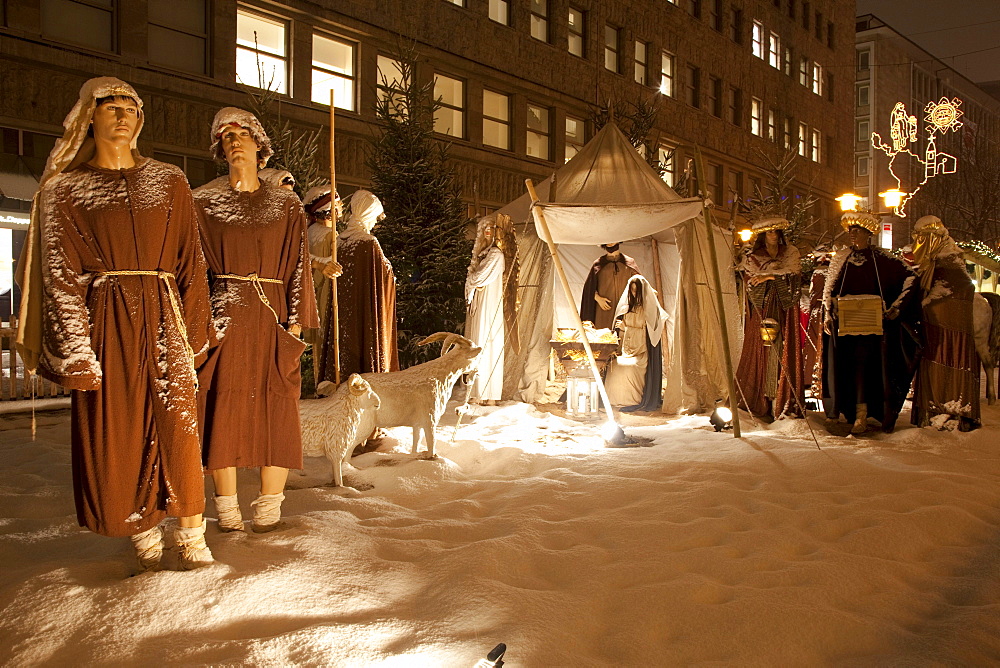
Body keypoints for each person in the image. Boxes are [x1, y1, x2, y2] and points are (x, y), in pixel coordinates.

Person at [15, 77, 214, 571]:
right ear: (89, 116)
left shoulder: (169, 180)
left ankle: (192, 535)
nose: (123, 114)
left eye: (131, 106)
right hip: (107, 319)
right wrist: (78, 352)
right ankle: (141, 531)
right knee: (119, 430)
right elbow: (61, 276)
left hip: (165, 313)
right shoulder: (66, 189)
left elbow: (192, 260)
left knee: (180, 427)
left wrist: (195, 333)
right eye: (111, 106)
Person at [194, 108, 318, 533]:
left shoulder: (284, 204)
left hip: (273, 319)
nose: (233, 141)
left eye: (241, 134)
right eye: (225, 135)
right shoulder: (202, 203)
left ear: (258, 143)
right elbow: (191, 269)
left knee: (276, 410)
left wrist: (298, 322)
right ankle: (226, 508)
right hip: (224, 315)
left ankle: (269, 507)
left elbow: (300, 264)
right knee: (222, 409)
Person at [822, 211, 919, 434]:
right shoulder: (841, 258)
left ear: (868, 233)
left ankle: (862, 414)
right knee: (841, 367)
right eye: (850, 231)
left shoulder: (882, 259)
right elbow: (829, 289)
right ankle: (838, 410)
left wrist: (896, 307)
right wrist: (829, 312)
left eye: (857, 231)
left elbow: (911, 278)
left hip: (871, 328)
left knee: (864, 369)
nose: (852, 235)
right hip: (844, 325)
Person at [909, 215, 980, 431]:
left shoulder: (948, 261)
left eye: (921, 238)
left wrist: (928, 304)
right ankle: (934, 408)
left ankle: (948, 409)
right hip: (934, 329)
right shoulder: (933, 263)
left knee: (946, 362)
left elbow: (955, 291)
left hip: (949, 331)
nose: (917, 244)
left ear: (932, 238)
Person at [320, 189, 399, 381]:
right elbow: (384, 277)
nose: (373, 222)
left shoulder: (340, 241)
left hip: (345, 313)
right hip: (365, 312)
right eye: (373, 217)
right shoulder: (369, 243)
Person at [735, 217, 804, 421]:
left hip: (784, 311)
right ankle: (763, 397)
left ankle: (781, 398)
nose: (773, 236)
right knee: (763, 349)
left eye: (776, 232)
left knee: (783, 348)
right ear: (763, 235)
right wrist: (766, 281)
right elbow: (750, 285)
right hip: (764, 310)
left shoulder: (790, 253)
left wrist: (771, 277)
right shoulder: (754, 257)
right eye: (769, 232)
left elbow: (795, 280)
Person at [605, 275, 668, 411]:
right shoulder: (626, 308)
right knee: (614, 366)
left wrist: (625, 327)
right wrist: (621, 329)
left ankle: (633, 400)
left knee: (629, 368)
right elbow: (620, 332)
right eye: (632, 290)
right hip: (627, 350)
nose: (634, 294)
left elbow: (649, 333)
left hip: (641, 352)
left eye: (636, 291)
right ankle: (614, 401)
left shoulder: (649, 309)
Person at [302, 184, 344, 379]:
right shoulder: (330, 236)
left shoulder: (309, 232)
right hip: (324, 291)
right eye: (338, 203)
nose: (342, 206)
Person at [465, 214, 506, 405]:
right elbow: (474, 278)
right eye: (484, 229)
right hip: (480, 304)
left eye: (491, 228)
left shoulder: (496, 255)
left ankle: (490, 394)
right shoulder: (483, 255)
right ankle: (478, 391)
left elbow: (478, 277)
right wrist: (474, 281)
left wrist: (474, 280)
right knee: (478, 342)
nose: (487, 232)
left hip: (490, 304)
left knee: (488, 343)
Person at [580, 242, 640, 331]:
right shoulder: (598, 264)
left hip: (624, 307)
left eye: (613, 240)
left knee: (623, 334)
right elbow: (589, 288)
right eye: (608, 241)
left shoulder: (629, 263)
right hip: (604, 309)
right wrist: (597, 298)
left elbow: (639, 284)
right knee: (604, 334)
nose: (611, 244)